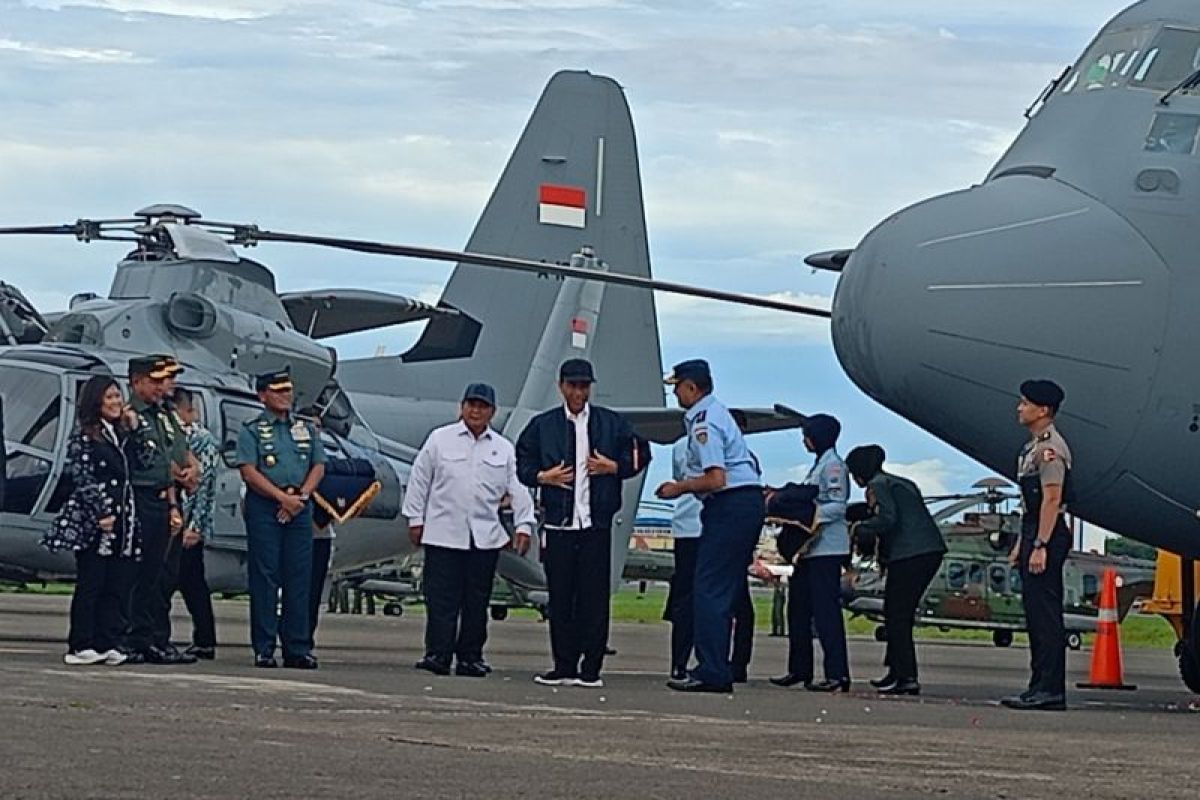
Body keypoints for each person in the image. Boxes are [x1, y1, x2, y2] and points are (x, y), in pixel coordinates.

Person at [517, 358, 651, 689]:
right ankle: (563, 665)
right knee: (561, 597)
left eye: (584, 386)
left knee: (593, 598)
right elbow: (521, 461)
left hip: (596, 524)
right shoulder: (543, 425)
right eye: (573, 385)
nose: (579, 392)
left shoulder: (611, 423)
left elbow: (641, 453)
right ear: (561, 386)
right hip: (560, 525)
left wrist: (616, 467)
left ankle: (591, 668)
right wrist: (540, 476)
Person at [403, 382, 536, 677]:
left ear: (492, 412)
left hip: (484, 536)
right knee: (441, 600)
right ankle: (438, 654)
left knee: (476, 601)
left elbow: (517, 489)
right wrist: (415, 519)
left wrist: (524, 524)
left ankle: (470, 657)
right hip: (443, 532)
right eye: (471, 405)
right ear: (461, 407)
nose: (476, 411)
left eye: (482, 406)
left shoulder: (502, 448)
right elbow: (419, 481)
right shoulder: (440, 439)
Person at [656, 359, 763, 693]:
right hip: (744, 505)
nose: (674, 393)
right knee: (724, 588)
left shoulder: (704, 421)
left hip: (729, 506)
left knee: (708, 588)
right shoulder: (716, 415)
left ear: (691, 387)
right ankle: (720, 665)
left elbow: (716, 478)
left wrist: (679, 487)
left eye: (677, 386)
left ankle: (713, 669)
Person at [42, 376, 140, 666]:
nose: (115, 403)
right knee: (92, 582)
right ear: (95, 401)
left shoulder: (118, 434)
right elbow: (82, 476)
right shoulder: (84, 435)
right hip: (97, 520)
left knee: (116, 582)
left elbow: (141, 462)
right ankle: (81, 642)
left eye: (117, 397)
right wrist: (100, 513)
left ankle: (107, 639)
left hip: (124, 517)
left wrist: (133, 430)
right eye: (109, 397)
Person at [236, 367, 326, 669]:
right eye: (278, 390)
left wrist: (300, 497)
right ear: (263, 395)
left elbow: (318, 465)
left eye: (288, 390)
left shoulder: (305, 429)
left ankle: (297, 646)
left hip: (300, 506)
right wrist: (281, 498)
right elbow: (249, 470)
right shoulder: (251, 430)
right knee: (265, 575)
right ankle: (264, 646)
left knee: (299, 576)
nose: (286, 395)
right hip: (266, 506)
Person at [845, 444, 946, 696]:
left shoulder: (878, 486)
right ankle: (896, 671)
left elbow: (887, 519)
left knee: (897, 615)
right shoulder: (901, 482)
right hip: (926, 551)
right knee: (898, 612)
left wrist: (858, 527)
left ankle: (907, 676)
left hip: (910, 554)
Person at [1001, 380, 1073, 712]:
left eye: (1025, 403)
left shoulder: (1050, 449)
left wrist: (1041, 544)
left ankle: (1050, 689)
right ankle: (1037, 685)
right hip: (1035, 529)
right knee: (1035, 613)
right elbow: (1029, 506)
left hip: (1048, 530)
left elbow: (1052, 500)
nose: (1020, 408)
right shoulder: (1032, 448)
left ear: (1043, 410)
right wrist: (1023, 544)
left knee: (1045, 615)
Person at [771, 414, 851, 692]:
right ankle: (799, 669)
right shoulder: (818, 466)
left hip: (826, 547)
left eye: (806, 435)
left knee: (826, 612)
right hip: (808, 549)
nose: (804, 440)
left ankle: (837, 674)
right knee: (798, 610)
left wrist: (808, 518)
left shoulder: (834, 467)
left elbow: (838, 505)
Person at [123, 355, 193, 665]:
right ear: (137, 382)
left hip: (166, 498)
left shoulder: (164, 414)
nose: (163, 386)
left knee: (159, 575)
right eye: (155, 380)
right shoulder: (129, 416)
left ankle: (152, 638)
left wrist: (191, 471)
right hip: (139, 497)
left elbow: (174, 452)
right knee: (136, 574)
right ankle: (133, 638)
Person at [164, 386, 219, 660]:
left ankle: (205, 639)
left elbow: (205, 485)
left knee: (192, 583)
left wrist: (195, 527)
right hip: (169, 518)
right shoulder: (169, 436)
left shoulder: (201, 440)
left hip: (187, 521)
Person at [663, 436, 701, 681]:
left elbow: (680, 479)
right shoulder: (728, 445)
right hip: (704, 525)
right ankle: (694, 661)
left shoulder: (679, 446)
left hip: (688, 524)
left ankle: (679, 662)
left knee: (686, 598)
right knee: (701, 598)